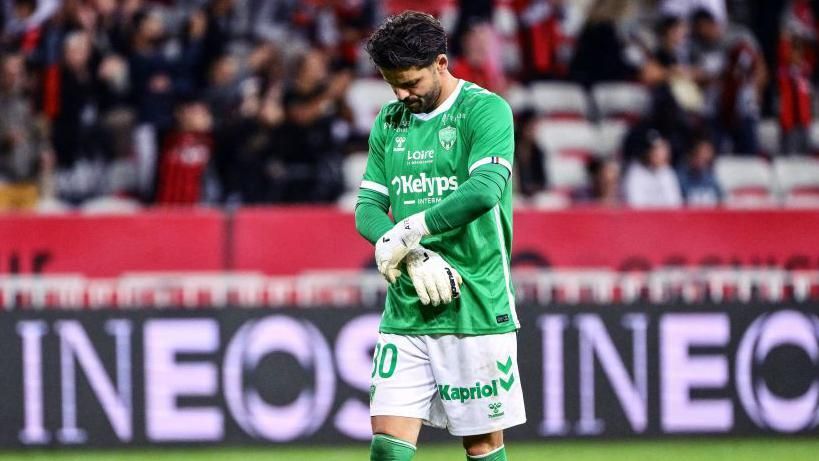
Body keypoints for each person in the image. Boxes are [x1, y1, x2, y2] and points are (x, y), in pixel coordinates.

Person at [355, 11, 524, 461]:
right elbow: (368, 208)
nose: (400, 93)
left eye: (409, 82)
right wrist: (411, 256)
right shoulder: (390, 123)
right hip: (408, 305)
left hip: (475, 304)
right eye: (392, 83)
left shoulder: (486, 111)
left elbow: (485, 191)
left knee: (482, 446)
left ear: (441, 63)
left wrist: (410, 230)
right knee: (388, 447)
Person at [623, 128, 683, 207]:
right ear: (645, 152)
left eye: (662, 148)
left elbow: (676, 204)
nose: (661, 153)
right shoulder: (634, 173)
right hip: (643, 218)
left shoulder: (667, 172)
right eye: (655, 149)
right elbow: (635, 208)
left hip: (665, 218)